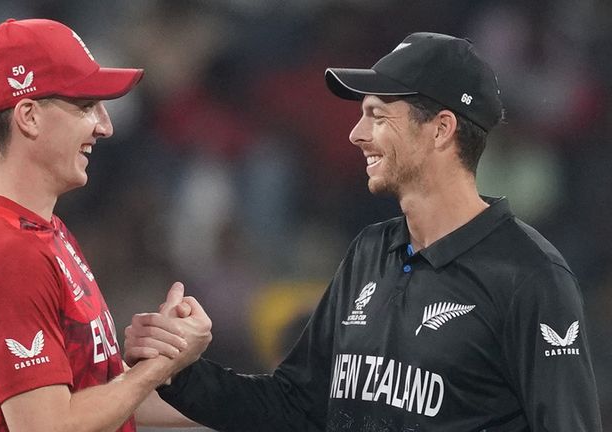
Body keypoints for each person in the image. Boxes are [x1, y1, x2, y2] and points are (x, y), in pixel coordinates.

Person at [125, 32, 604, 431]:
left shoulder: (530, 276)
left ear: (440, 129)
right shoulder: (371, 251)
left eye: (377, 115)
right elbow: (296, 408)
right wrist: (180, 372)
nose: (356, 133)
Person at [0, 18, 211, 432]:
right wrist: (155, 369)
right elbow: (47, 426)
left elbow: (98, 398)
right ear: (28, 116)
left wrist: (263, 405)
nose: (105, 126)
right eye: (86, 106)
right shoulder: (6, 252)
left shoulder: (45, 233)